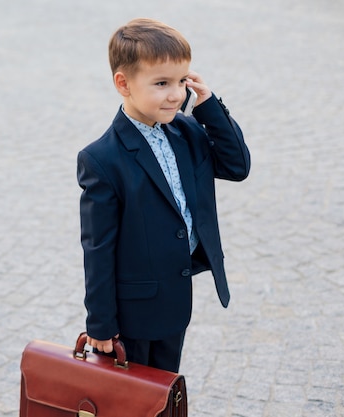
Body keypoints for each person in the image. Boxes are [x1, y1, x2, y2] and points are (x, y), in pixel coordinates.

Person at [77, 18, 251, 372]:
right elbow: (97, 247)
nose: (175, 94)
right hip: (131, 311)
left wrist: (208, 105)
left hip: (174, 299)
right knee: (128, 399)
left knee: (162, 391)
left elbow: (237, 166)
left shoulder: (187, 132)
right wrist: (100, 322)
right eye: (161, 83)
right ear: (123, 84)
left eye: (181, 81)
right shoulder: (101, 158)